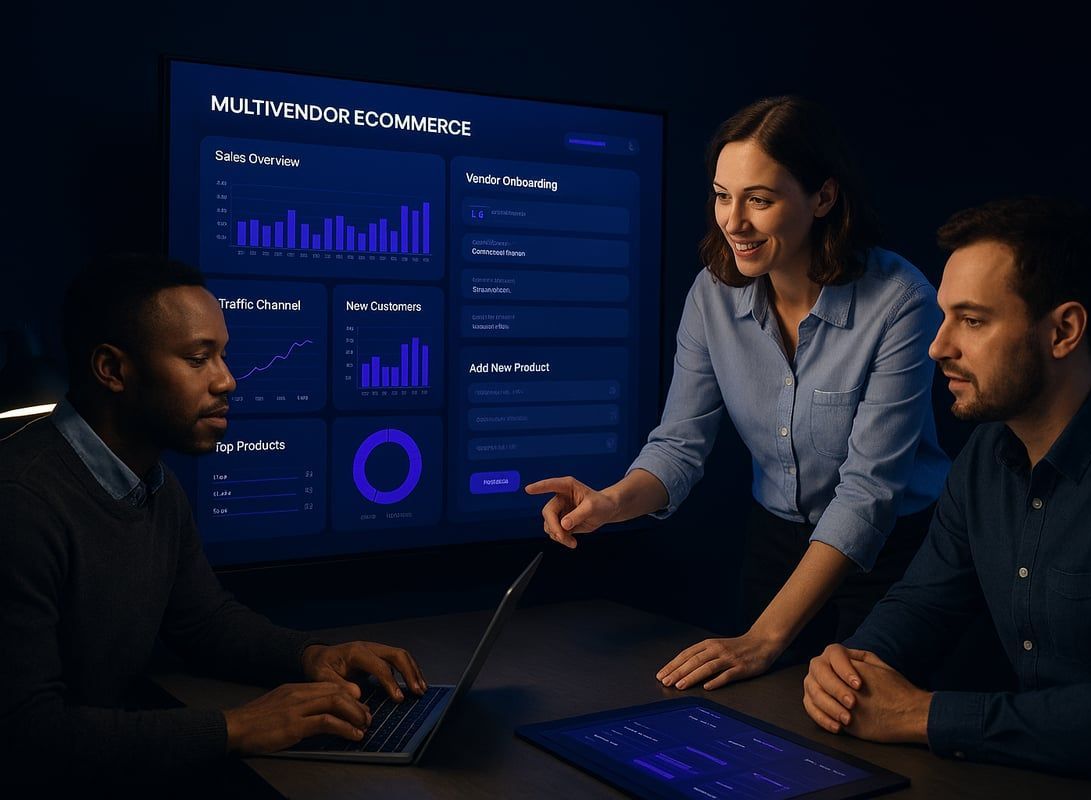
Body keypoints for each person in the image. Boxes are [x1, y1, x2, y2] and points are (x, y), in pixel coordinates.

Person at [527, 96, 950, 691]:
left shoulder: (901, 300)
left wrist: (765, 638)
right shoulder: (711, 295)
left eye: (760, 199)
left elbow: (869, 492)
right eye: (723, 195)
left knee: (859, 729)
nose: (733, 221)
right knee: (770, 726)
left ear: (823, 198)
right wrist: (612, 503)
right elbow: (679, 444)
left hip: (893, 558)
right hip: (775, 546)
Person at [803, 197, 1091, 782]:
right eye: (944, 317)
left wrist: (923, 716)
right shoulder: (985, 457)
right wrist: (852, 668)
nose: (939, 346)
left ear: (1063, 330)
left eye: (972, 320)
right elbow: (923, 603)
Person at [0, 254, 428, 789]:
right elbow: (26, 734)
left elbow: (203, 621)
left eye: (222, 356)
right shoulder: (20, 503)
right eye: (199, 359)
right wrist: (237, 728)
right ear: (112, 369)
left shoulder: (153, 484)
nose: (227, 381)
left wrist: (313, 656)